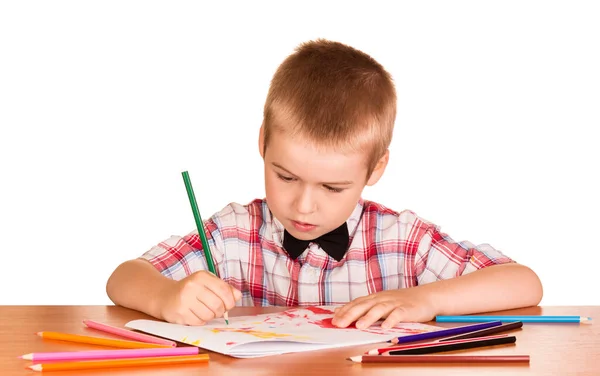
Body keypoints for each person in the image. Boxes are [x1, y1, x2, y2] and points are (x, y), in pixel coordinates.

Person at [106, 39, 543, 330]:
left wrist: (424, 300)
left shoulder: (402, 241)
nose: (303, 206)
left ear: (375, 170)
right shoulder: (232, 234)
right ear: (262, 142)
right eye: (286, 176)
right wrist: (166, 297)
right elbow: (123, 279)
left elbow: (523, 283)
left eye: (332, 188)